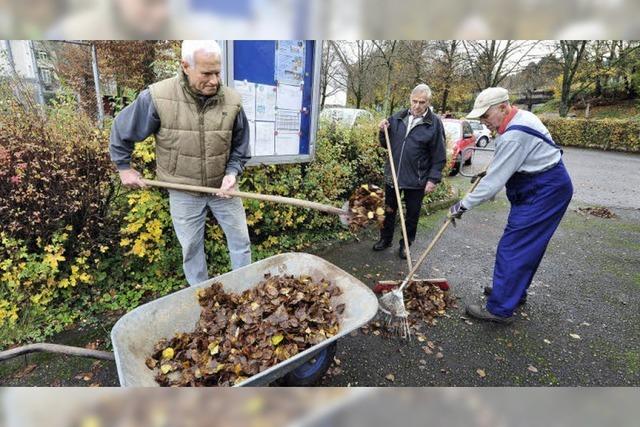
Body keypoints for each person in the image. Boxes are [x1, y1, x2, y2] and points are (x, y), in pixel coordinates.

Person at [109, 40, 252, 286]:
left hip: (224, 189)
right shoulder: (157, 97)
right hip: (183, 191)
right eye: (206, 73)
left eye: (217, 72)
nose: (215, 81)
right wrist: (124, 167)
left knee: (241, 242)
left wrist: (232, 172)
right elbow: (122, 130)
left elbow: (240, 144)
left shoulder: (232, 101)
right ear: (185, 66)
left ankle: (246, 290)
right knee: (191, 249)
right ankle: (202, 296)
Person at [449, 87, 573, 324]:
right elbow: (508, 162)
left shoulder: (515, 134)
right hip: (542, 186)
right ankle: (512, 292)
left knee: (514, 247)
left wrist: (462, 206)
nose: (486, 125)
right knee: (528, 246)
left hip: (544, 191)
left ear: (504, 107)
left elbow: (493, 184)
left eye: (487, 117)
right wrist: (490, 171)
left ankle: (499, 308)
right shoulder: (519, 118)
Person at [374, 84, 447, 260]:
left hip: (417, 179)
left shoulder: (434, 124)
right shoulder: (398, 117)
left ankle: (405, 245)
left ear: (428, 102)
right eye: (414, 101)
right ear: (410, 99)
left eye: (422, 102)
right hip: (394, 175)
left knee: (412, 215)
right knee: (389, 210)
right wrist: (382, 130)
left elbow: (439, 156)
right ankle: (385, 239)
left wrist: (432, 179)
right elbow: (386, 144)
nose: (417, 106)